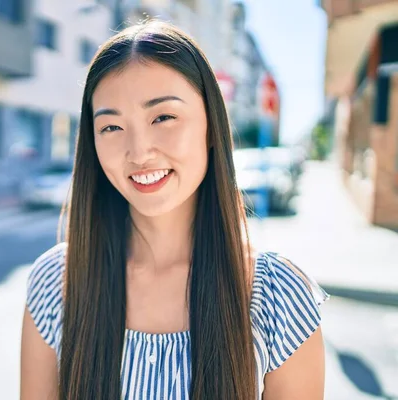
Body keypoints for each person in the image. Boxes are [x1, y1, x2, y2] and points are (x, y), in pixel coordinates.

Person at [20, 20, 329, 400]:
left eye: (163, 117)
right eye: (112, 127)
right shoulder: (56, 282)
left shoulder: (277, 296)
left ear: (211, 125)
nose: (139, 152)